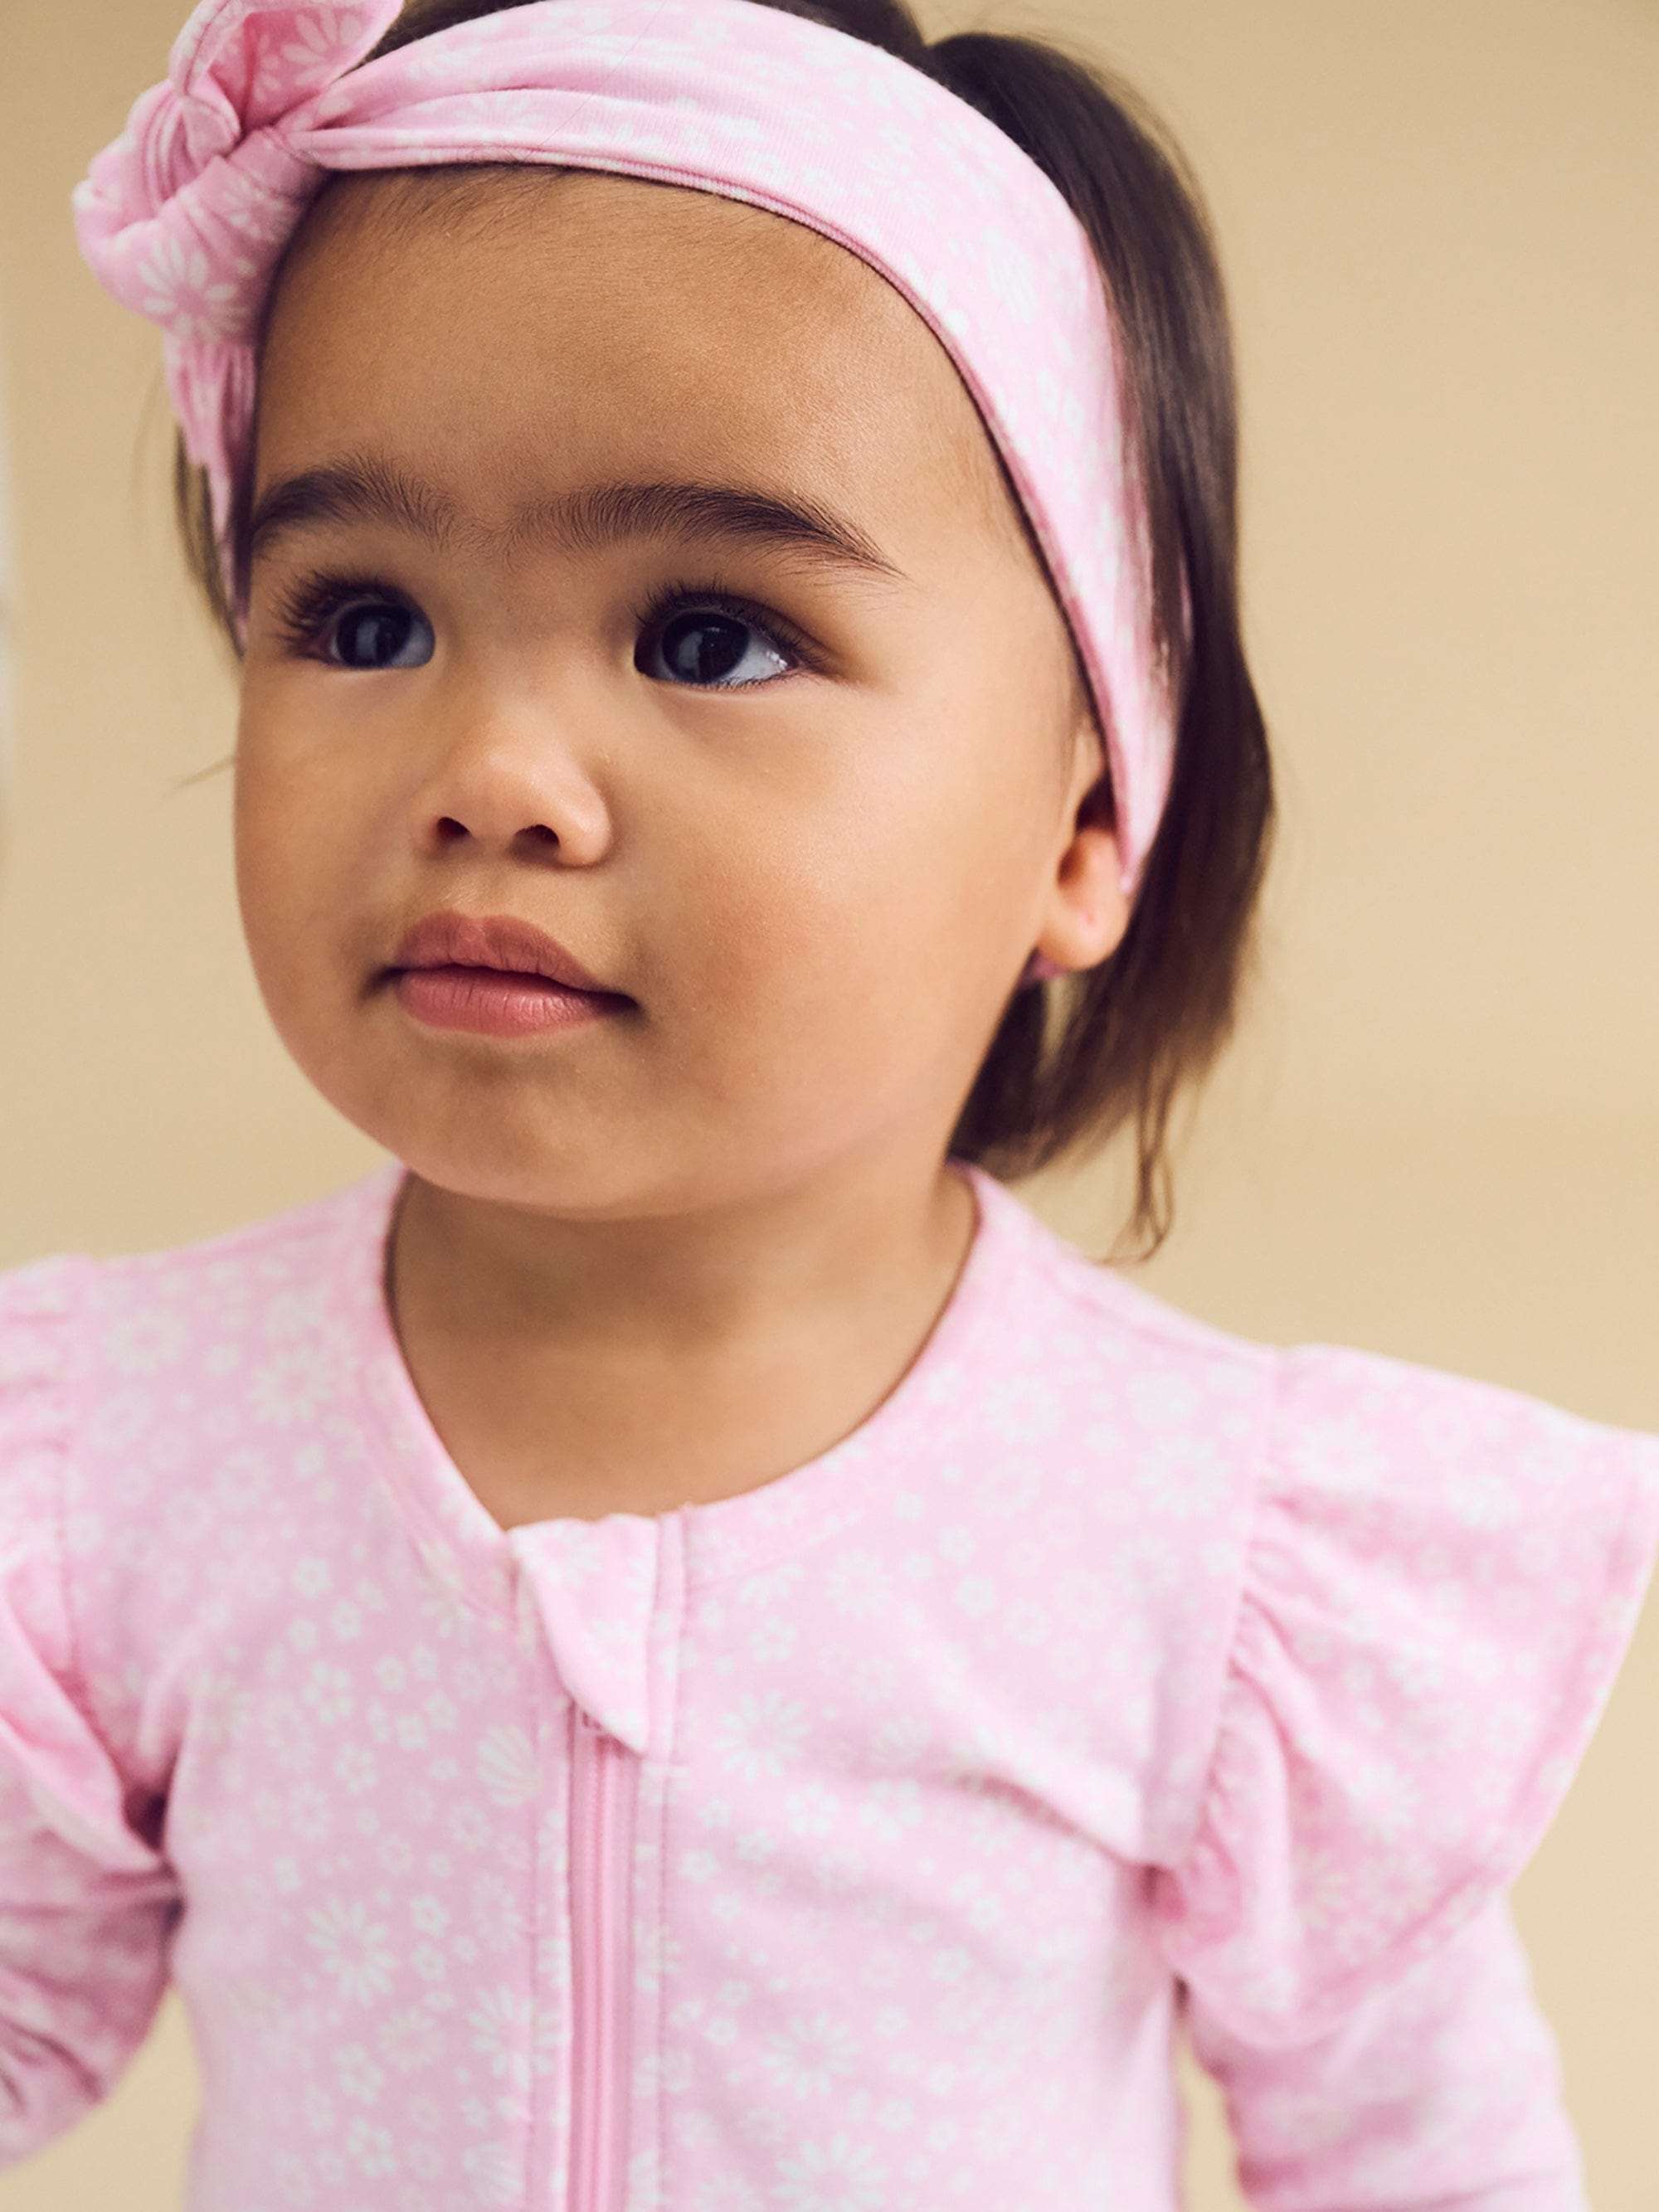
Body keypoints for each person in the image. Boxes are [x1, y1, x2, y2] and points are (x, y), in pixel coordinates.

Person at [5, 0, 1654, 2203]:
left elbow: (1419, 2160)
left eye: (708, 636)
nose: (491, 774)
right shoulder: (125, 1462)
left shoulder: (1194, 1541)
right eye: (368, 620)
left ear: (1083, 824)